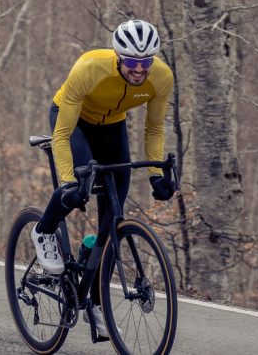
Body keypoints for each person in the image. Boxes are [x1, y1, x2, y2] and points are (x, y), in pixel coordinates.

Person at [31, 19, 177, 338]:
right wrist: (70, 181)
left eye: (146, 62)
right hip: (74, 122)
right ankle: (43, 231)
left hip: (112, 128)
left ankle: (96, 303)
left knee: (112, 220)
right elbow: (62, 134)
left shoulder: (162, 77)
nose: (140, 70)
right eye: (133, 62)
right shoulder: (89, 68)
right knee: (78, 192)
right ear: (119, 57)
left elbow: (153, 129)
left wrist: (156, 175)